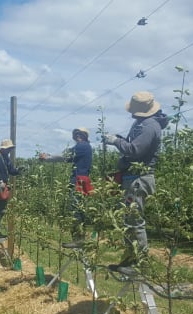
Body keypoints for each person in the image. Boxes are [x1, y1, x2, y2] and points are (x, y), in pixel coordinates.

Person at [102, 91, 169, 268]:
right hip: (132, 177)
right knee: (129, 221)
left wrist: (116, 142)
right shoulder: (142, 123)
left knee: (135, 222)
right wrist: (120, 139)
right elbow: (133, 146)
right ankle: (129, 260)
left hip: (139, 179)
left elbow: (135, 151)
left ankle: (140, 263)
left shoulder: (149, 126)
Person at [38, 127, 93, 248]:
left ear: (81, 136)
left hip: (80, 180)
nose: (76, 137)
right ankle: (80, 238)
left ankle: (78, 240)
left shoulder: (81, 146)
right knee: (79, 209)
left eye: (77, 135)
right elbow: (66, 158)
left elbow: (64, 155)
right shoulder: (84, 147)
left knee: (75, 209)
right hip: (83, 180)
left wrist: (47, 157)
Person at [0, 139, 20, 239]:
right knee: (0, 209)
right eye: (8, 148)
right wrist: (0, 181)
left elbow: (11, 170)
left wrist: (18, 170)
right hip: (0, 186)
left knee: (1, 208)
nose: (9, 150)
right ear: (3, 149)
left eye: (10, 149)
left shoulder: (6, 157)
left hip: (4, 186)